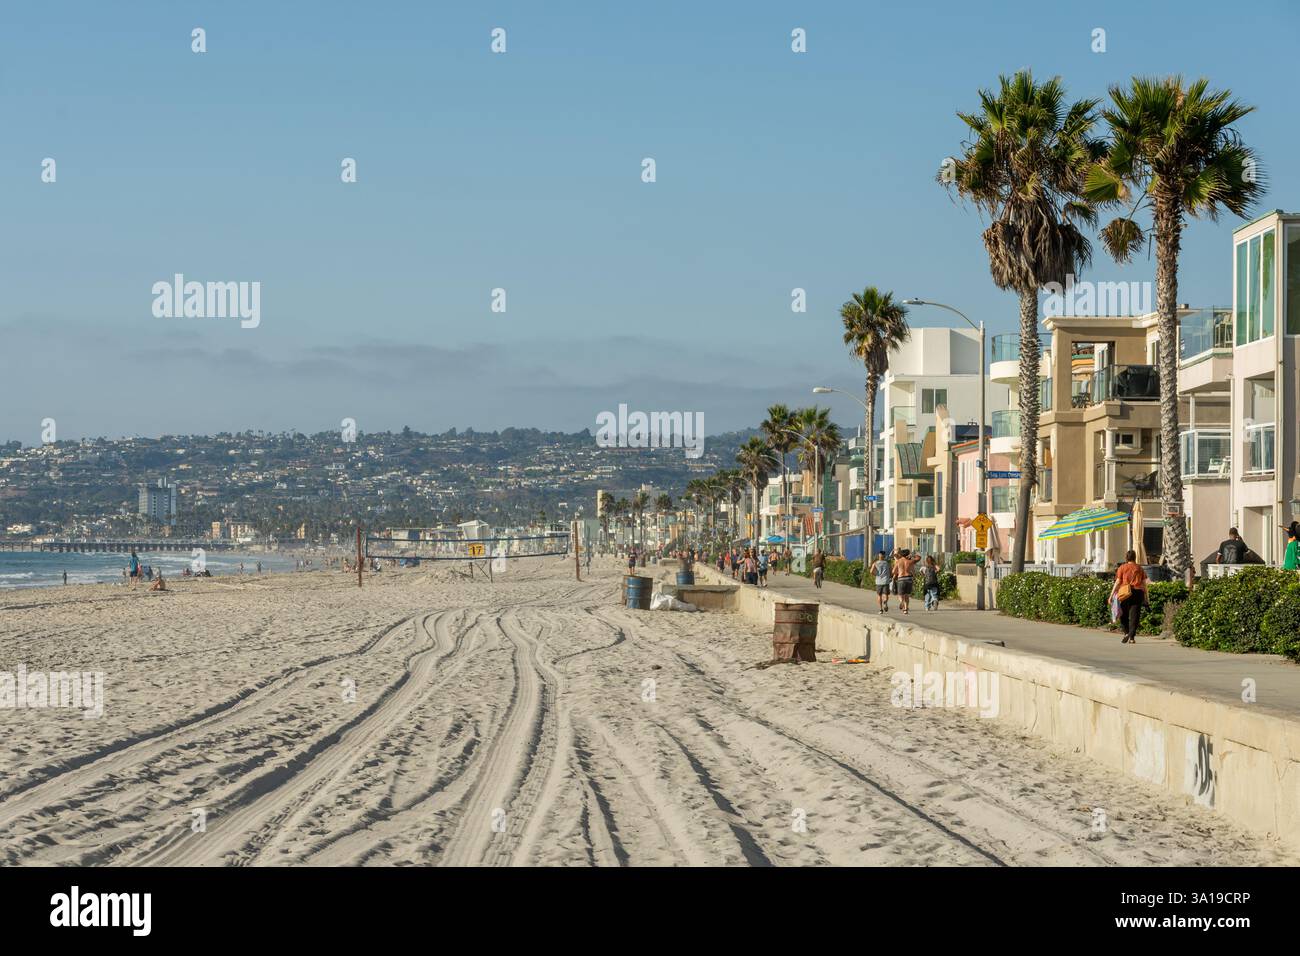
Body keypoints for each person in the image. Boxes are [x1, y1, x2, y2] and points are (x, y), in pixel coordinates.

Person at [1110, 550, 1148, 644]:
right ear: (1135, 557)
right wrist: (1146, 596)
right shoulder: (1139, 568)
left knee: (1123, 614)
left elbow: (1118, 582)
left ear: (1126, 557)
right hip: (1137, 592)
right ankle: (1132, 638)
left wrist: (1111, 595)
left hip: (1124, 592)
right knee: (1135, 616)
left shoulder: (1122, 567)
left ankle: (1126, 632)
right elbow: (1144, 584)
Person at [893, 549, 919, 615]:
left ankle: (901, 602)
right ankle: (906, 610)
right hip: (909, 578)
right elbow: (919, 557)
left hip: (901, 579)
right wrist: (912, 555)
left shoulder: (898, 561)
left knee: (900, 594)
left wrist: (898, 572)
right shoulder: (910, 561)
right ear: (907, 554)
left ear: (901, 554)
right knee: (907, 595)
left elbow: (893, 571)